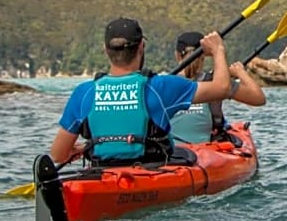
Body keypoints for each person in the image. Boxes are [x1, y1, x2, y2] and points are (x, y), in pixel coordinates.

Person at [49, 18, 235, 165]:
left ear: (105, 50)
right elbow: (223, 87)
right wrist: (218, 50)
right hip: (152, 171)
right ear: (141, 47)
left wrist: (84, 148)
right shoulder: (161, 87)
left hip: (102, 172)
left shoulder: (84, 93)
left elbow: (58, 155)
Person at [170, 31, 267, 144]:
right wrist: (240, 72)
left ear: (177, 55)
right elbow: (259, 99)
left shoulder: (162, 83)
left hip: (171, 150)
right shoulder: (217, 83)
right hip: (207, 149)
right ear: (204, 55)